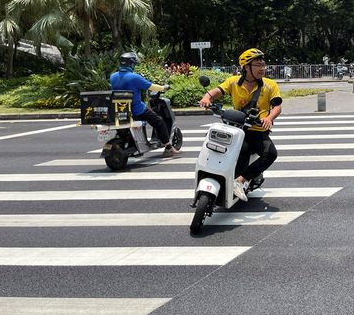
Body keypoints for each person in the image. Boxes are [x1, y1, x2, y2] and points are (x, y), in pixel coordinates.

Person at [198, 48, 282, 202]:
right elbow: (215, 91)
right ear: (246, 67)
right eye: (258, 65)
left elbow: (277, 106)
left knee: (271, 154)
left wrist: (269, 118)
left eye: (263, 65)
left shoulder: (270, 85)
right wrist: (206, 98)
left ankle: (240, 181)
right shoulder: (233, 82)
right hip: (236, 128)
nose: (262, 68)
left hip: (257, 130)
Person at [110, 51, 179, 156]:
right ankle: (168, 147)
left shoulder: (113, 76)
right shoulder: (134, 77)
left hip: (120, 109)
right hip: (136, 110)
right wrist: (163, 87)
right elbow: (151, 87)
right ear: (131, 64)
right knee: (159, 121)